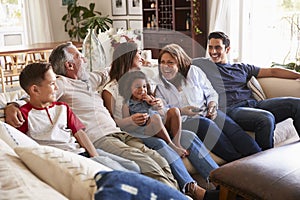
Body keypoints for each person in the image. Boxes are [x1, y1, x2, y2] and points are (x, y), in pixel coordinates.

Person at [4, 42, 179, 190]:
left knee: (157, 158)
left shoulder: (89, 80)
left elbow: (107, 71)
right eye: (80, 57)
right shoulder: (62, 84)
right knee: (146, 163)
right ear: (69, 65)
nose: (85, 59)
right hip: (100, 138)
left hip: (117, 132)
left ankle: (178, 193)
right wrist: (12, 106)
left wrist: (133, 58)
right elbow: (33, 96)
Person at [102, 42, 219, 200]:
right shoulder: (111, 89)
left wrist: (159, 105)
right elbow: (111, 123)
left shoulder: (143, 80)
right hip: (135, 132)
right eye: (138, 54)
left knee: (188, 136)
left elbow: (156, 109)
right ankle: (191, 188)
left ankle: (221, 183)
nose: (141, 57)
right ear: (128, 58)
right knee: (161, 144)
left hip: (157, 125)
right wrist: (130, 120)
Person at [17, 62, 139, 172]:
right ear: (35, 90)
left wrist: (95, 157)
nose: (57, 88)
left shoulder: (62, 107)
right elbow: (20, 144)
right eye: (52, 84)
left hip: (83, 151)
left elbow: (80, 134)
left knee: (133, 167)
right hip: (68, 159)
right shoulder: (23, 115)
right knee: (123, 173)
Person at [155, 43, 262, 162]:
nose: (165, 66)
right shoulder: (158, 84)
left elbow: (211, 93)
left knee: (232, 129)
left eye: (170, 62)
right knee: (206, 124)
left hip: (206, 112)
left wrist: (212, 106)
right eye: (162, 62)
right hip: (184, 121)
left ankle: (260, 159)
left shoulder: (194, 72)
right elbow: (161, 113)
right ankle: (238, 162)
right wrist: (181, 111)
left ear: (179, 63)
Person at [197, 31, 300, 150]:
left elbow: (272, 71)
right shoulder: (202, 65)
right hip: (231, 110)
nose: (213, 52)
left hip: (254, 105)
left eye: (218, 47)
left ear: (227, 49)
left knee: (297, 104)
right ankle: (265, 161)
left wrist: (298, 75)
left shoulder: (242, 68)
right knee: (266, 118)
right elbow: (181, 61)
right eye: (210, 47)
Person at [118, 70, 188, 157]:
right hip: (145, 130)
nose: (142, 90)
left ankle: (177, 144)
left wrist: (153, 104)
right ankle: (172, 146)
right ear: (129, 89)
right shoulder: (127, 105)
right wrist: (134, 121)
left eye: (144, 86)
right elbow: (127, 127)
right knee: (155, 118)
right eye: (137, 87)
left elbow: (161, 113)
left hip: (160, 126)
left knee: (174, 111)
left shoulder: (149, 99)